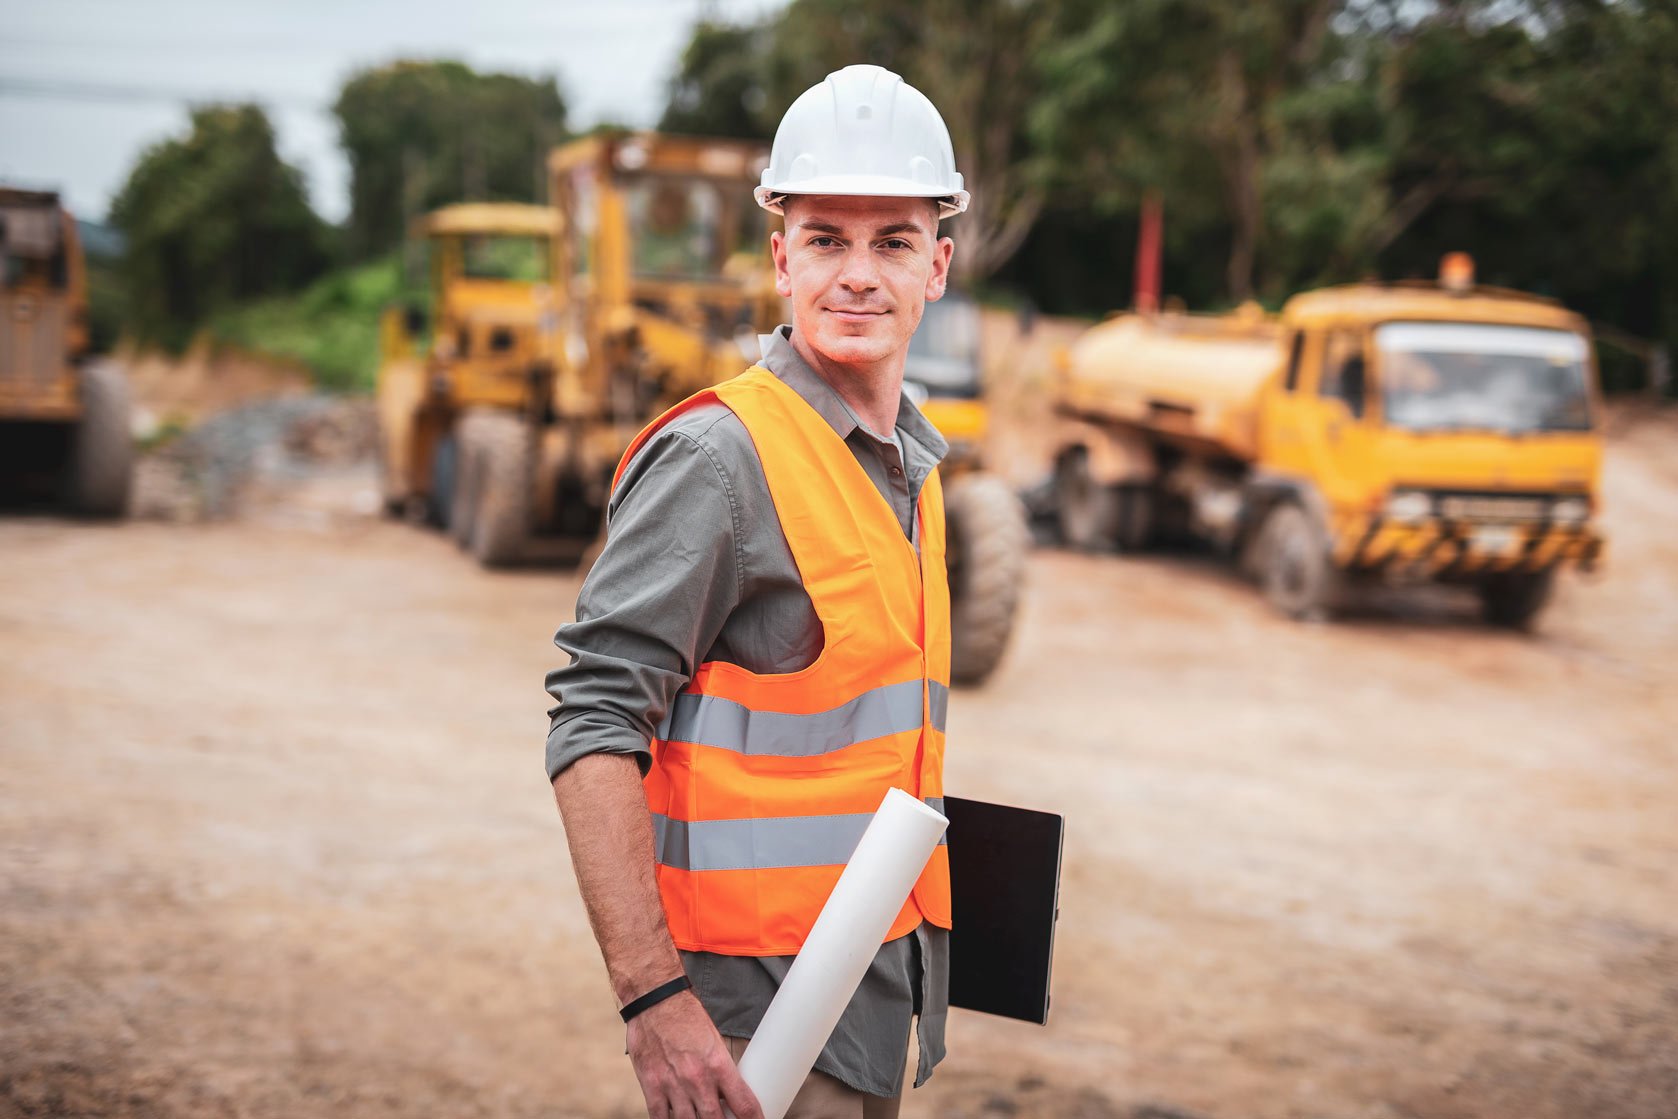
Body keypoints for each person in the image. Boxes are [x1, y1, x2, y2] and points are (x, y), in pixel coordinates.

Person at [545, 63, 968, 1119]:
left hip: (867, 992)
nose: (858, 274)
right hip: (754, 1025)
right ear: (781, 259)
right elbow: (595, 723)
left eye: (893, 242)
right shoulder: (719, 459)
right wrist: (654, 1003)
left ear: (940, 266)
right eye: (826, 238)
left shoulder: (909, 466)